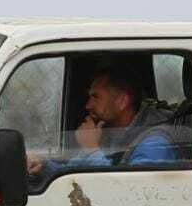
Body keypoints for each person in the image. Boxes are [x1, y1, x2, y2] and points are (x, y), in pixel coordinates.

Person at [26, 63, 181, 177]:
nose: (88, 105)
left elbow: (127, 192)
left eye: (95, 97)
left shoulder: (154, 143)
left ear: (122, 101)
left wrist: (91, 149)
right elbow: (77, 171)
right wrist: (44, 166)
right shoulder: (111, 134)